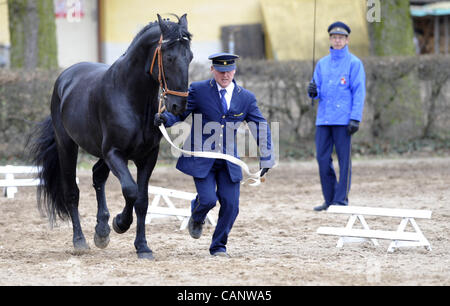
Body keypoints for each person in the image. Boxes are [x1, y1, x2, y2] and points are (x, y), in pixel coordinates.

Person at [154, 52, 275, 257]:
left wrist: (267, 157)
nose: (225, 75)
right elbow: (180, 114)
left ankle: (219, 246)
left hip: (229, 160)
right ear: (213, 70)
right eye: (220, 71)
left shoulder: (246, 97)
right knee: (208, 199)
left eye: (228, 71)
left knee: (231, 206)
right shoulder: (198, 90)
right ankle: (197, 215)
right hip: (201, 157)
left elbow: (259, 126)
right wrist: (164, 118)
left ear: (234, 71)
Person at [307, 21, 366, 211]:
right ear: (330, 39)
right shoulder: (322, 63)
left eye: (341, 38)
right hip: (324, 119)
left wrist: (355, 117)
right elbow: (315, 92)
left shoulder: (354, 63)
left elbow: (359, 92)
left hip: (344, 120)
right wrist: (312, 91)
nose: (337, 40)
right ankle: (329, 198)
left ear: (347, 40)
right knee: (322, 160)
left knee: (344, 161)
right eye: (334, 37)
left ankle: (341, 200)